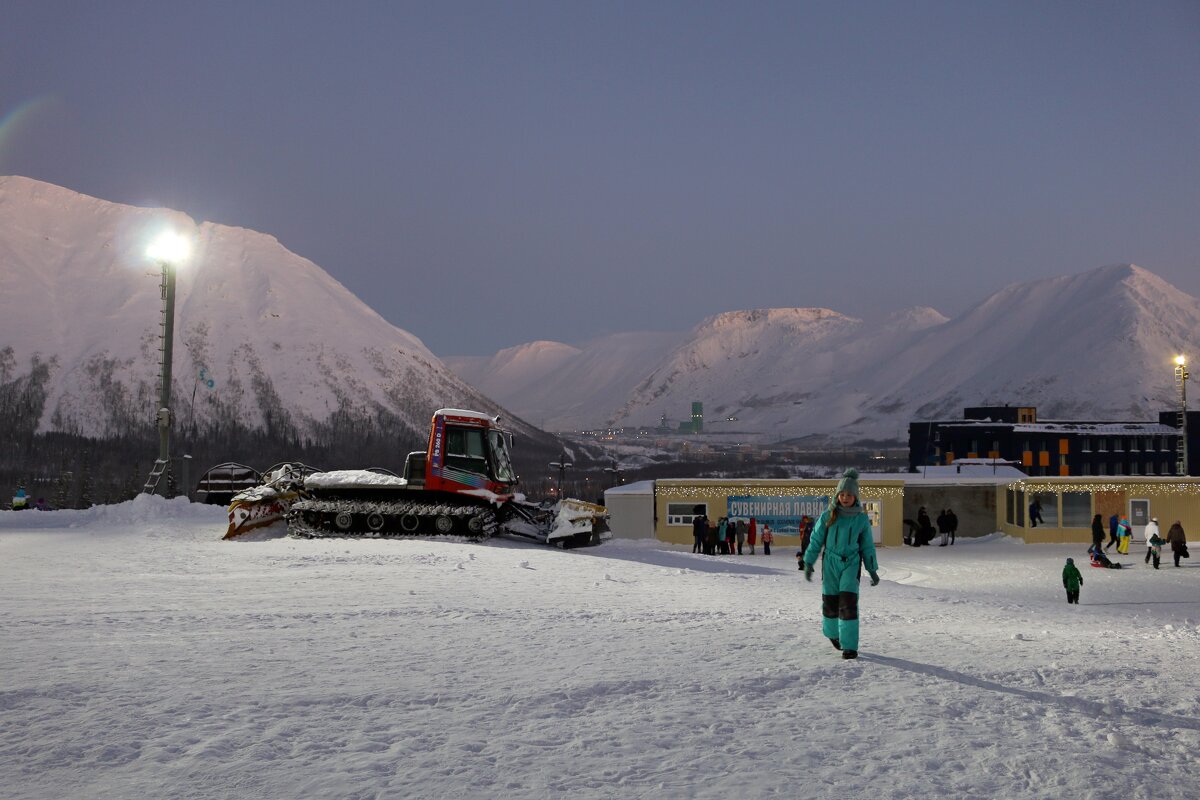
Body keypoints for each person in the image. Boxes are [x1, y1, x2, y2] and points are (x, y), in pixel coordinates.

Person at [803, 468, 879, 660]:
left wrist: (872, 569)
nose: (845, 498)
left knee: (848, 603)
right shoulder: (828, 516)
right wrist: (808, 562)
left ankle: (850, 646)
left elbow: (868, 546)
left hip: (851, 563)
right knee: (830, 602)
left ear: (856, 497)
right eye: (842, 494)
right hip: (830, 563)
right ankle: (832, 633)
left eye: (849, 495)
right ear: (837, 495)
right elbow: (815, 540)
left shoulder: (861, 519)